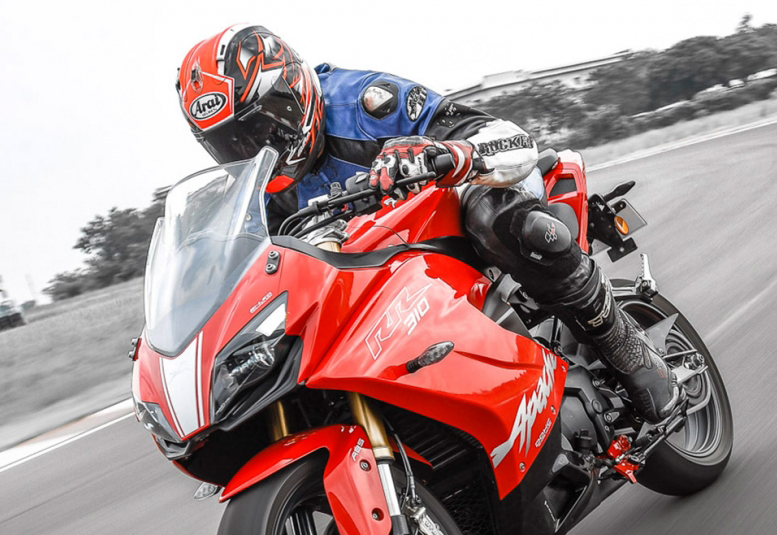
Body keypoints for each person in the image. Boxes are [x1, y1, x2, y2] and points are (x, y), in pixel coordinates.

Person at [175, 24, 679, 423]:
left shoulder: (362, 102)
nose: (253, 149)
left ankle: (625, 345)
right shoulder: (260, 192)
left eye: (262, 127)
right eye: (230, 143)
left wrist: (445, 153)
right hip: (380, 267)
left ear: (292, 91)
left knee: (500, 219)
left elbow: (505, 136)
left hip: (454, 215)